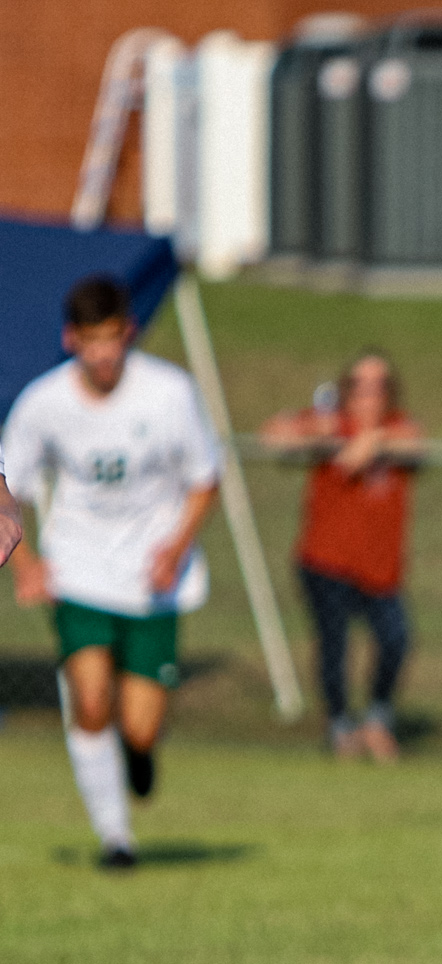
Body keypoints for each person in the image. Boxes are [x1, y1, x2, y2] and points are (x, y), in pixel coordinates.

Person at [2, 275, 219, 870]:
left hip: (153, 579)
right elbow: (7, 486)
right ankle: (116, 840)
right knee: (91, 700)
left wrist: (176, 547)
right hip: (79, 572)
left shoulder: (169, 393)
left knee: (141, 729)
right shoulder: (44, 402)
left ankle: (140, 754)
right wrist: (26, 563)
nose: (102, 353)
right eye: (90, 341)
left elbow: (205, 477)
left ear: (128, 333)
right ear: (72, 339)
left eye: (112, 338)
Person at [260, 352, 425, 761]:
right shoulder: (331, 425)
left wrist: (374, 441)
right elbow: (273, 437)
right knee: (333, 646)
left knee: (395, 639)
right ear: (345, 389)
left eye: (379, 386)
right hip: (327, 560)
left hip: (380, 567)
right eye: (359, 385)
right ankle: (339, 726)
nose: (369, 395)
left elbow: (417, 442)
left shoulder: (397, 428)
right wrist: (322, 431)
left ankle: (377, 717)